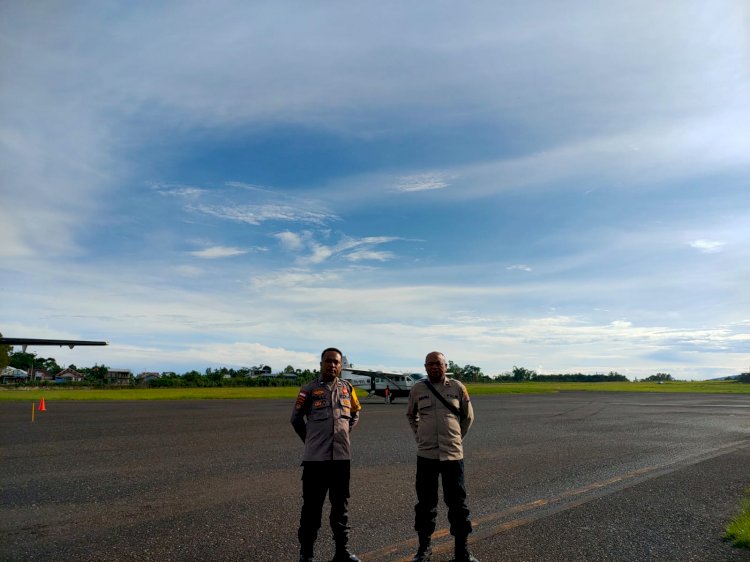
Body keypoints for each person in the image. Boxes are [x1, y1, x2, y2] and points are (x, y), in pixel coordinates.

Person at [291, 347, 362, 562]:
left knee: (341, 508)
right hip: (316, 461)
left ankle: (341, 552)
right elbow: (295, 419)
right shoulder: (309, 390)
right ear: (321, 363)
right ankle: (307, 554)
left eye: (336, 362)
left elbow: (355, 413)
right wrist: (311, 441)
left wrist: (343, 433)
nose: (332, 365)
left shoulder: (347, 388)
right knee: (311, 508)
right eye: (328, 361)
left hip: (341, 459)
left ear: (341, 366)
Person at [406, 351, 478, 562]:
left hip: (453, 455)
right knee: (425, 504)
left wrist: (456, 437)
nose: (433, 367)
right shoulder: (418, 388)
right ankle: (424, 549)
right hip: (426, 455)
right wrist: (420, 435)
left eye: (438, 364)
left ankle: (462, 552)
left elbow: (468, 417)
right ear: (425, 367)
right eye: (429, 364)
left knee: (458, 504)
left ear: (446, 366)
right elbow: (411, 414)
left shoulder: (457, 387)